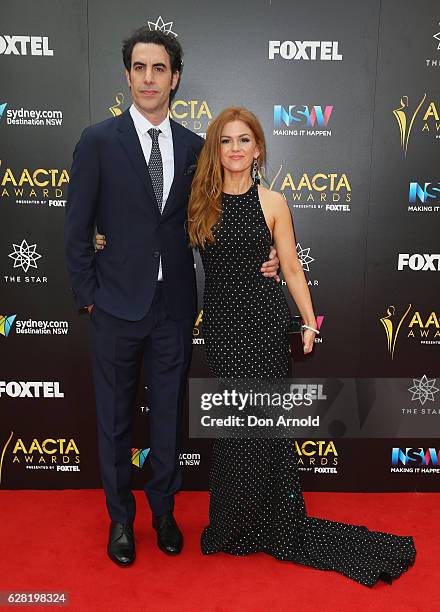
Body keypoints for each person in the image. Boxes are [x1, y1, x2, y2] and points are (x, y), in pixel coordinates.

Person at [64, 29, 278, 568]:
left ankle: (163, 512)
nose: (149, 78)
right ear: (128, 75)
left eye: (159, 68)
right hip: (114, 307)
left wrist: (264, 258)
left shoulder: (194, 148)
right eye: (139, 68)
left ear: (174, 78)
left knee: (167, 418)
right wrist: (89, 296)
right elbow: (75, 230)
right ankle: (120, 519)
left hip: (175, 309)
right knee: (113, 420)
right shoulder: (96, 142)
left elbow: (221, 218)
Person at [186, 107, 416, 586]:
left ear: (258, 148)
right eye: (226, 141)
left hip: (266, 325)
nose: (234, 149)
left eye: (243, 140)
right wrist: (104, 238)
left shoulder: (274, 202)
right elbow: (162, 240)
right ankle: (233, 525)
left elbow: (289, 265)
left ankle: (274, 523)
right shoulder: (199, 200)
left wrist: (310, 322)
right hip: (225, 329)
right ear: (216, 149)